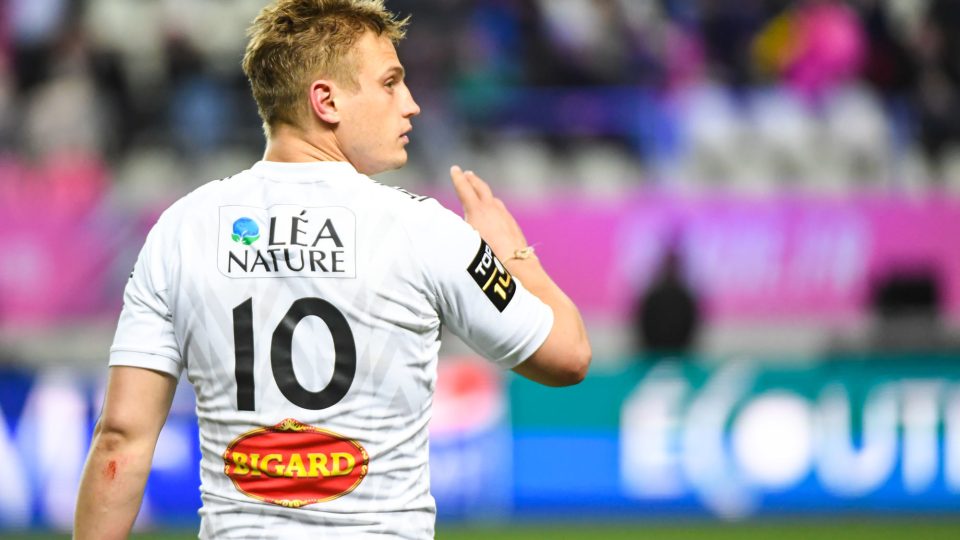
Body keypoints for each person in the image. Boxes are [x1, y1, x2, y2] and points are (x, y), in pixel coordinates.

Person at [73, 1, 591, 538]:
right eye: (391, 83)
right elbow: (568, 357)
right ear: (326, 100)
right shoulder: (423, 230)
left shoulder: (180, 230)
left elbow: (120, 439)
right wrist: (511, 253)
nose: (411, 105)